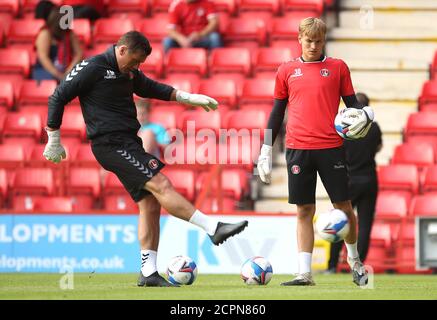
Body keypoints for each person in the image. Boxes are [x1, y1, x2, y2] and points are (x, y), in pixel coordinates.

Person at [43, 31, 248, 287]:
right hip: (110, 143)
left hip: (128, 142)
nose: (137, 67)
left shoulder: (127, 71)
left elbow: (150, 87)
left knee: (150, 203)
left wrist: (187, 97)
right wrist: (54, 137)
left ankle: (148, 273)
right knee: (161, 184)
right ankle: (212, 227)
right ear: (122, 50)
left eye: (140, 63)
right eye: (135, 61)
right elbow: (58, 96)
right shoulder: (92, 67)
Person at [256, 18, 374, 286]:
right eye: (308, 40)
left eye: (318, 41)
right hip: (298, 149)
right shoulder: (286, 70)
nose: (313, 45)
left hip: (331, 148)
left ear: (324, 41)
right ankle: (304, 273)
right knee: (303, 210)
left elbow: (353, 104)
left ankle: (355, 262)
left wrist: (367, 113)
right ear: (299, 39)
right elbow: (276, 113)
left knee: (343, 207)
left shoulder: (337, 67)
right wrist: (265, 148)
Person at [327, 92, 383, 273]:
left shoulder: (344, 129)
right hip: (369, 179)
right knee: (365, 224)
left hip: (349, 179)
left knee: (340, 221)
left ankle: (332, 265)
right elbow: (379, 147)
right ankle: (359, 265)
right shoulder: (374, 128)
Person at [33, 7, 83, 81]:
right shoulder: (45, 33)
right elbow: (43, 57)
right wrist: (58, 75)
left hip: (66, 69)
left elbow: (79, 53)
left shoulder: (69, 33)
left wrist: (69, 71)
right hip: (44, 70)